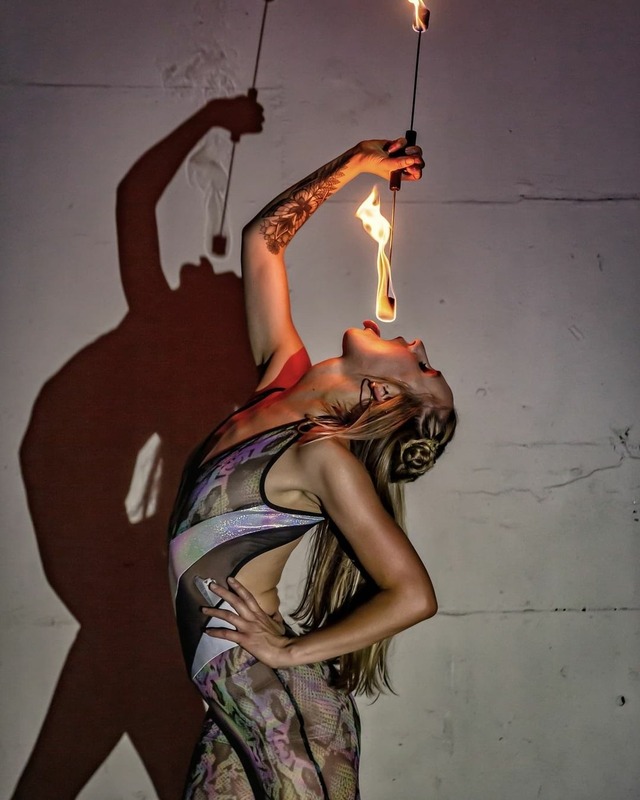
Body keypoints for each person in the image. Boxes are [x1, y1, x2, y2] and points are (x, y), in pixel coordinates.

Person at [168, 123, 457, 799]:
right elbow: (262, 241)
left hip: (274, 696)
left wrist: (288, 651)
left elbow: (414, 594)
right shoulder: (282, 379)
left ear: (383, 394)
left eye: (423, 364)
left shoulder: (319, 456)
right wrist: (355, 163)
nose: (416, 341)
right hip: (249, 695)